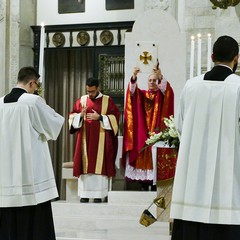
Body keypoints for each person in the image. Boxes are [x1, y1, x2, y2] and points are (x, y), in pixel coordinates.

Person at [170, 35, 240, 240]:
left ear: (211, 57)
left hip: (192, 179)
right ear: (237, 58)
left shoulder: (191, 86)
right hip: (229, 176)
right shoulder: (237, 87)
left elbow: (180, 127)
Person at [0, 66, 65, 240]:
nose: (36, 89)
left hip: (6, 172)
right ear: (32, 82)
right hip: (31, 172)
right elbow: (54, 126)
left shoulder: (0, 103)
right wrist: (42, 102)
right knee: (35, 216)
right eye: (36, 85)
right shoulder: (33, 102)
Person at [122, 65, 174, 191]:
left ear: (158, 82)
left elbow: (168, 91)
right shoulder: (142, 94)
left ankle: (154, 181)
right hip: (143, 129)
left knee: (155, 151)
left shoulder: (161, 95)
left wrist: (160, 76)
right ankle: (144, 183)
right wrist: (134, 77)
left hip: (157, 129)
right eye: (150, 80)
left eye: (155, 80)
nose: (152, 82)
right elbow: (132, 93)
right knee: (141, 148)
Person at [69, 77, 120, 203]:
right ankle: (84, 194)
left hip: (101, 141)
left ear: (98, 88)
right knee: (85, 165)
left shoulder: (107, 100)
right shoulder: (82, 100)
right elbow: (72, 116)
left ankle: (99, 195)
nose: (90, 94)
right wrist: (80, 116)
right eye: (88, 91)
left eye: (92, 91)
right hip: (85, 140)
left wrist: (101, 117)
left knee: (100, 165)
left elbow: (115, 118)